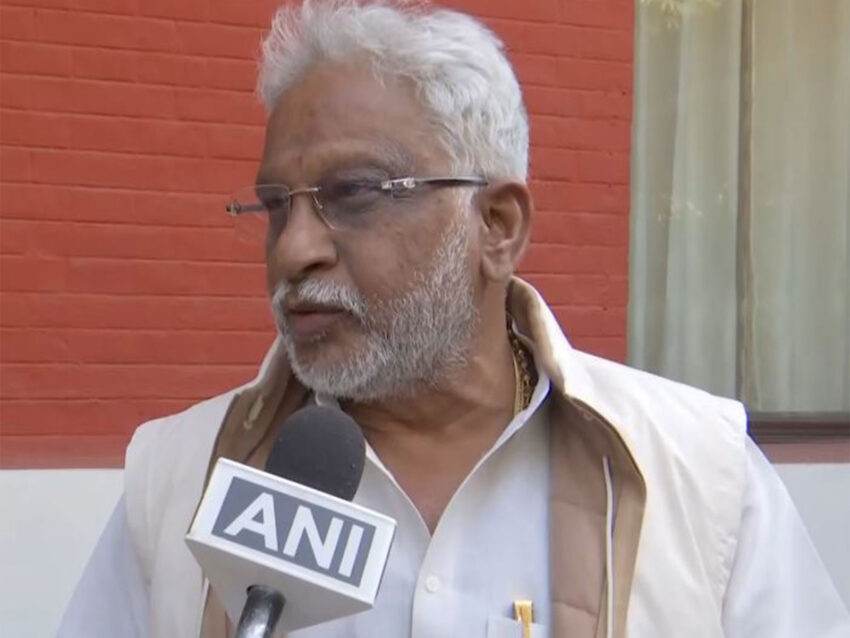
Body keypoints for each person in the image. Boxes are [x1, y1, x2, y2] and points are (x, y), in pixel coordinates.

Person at [58, 2, 850, 637]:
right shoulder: (178, 478)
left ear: (497, 226)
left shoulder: (699, 473)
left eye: (352, 193)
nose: (294, 249)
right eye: (275, 207)